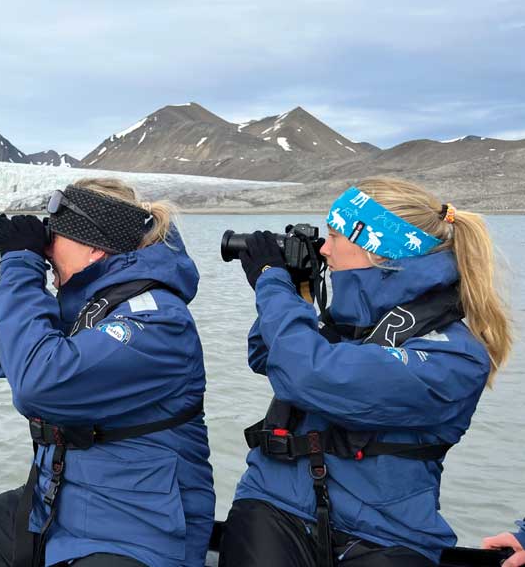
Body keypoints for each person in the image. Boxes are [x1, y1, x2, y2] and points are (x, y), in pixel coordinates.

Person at [0, 178, 215, 567]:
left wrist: (23, 264)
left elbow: (38, 385)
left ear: (94, 248)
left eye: (57, 235)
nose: (47, 245)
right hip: (53, 508)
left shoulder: (158, 322)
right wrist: (19, 265)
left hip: (135, 529)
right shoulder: (82, 310)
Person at [219, 177, 511, 566]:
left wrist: (271, 284)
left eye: (335, 237)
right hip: (275, 504)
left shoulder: (455, 356)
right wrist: (298, 290)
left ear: (376, 251)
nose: (323, 248)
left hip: (384, 533)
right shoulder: (346, 321)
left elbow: (308, 375)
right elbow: (264, 356)